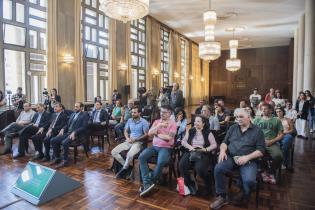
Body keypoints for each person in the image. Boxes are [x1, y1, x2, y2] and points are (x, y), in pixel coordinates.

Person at [210, 108, 265, 209]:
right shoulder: (233, 128)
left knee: (249, 181)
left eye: (241, 117)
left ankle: (245, 193)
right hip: (231, 157)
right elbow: (224, 142)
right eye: (237, 117)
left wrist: (247, 157)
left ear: (249, 117)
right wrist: (222, 151)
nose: (238, 119)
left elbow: (261, 151)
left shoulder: (257, 131)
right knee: (218, 168)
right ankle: (222, 196)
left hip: (248, 160)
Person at [138, 105, 177, 197]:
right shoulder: (156, 122)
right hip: (155, 146)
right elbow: (149, 133)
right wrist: (159, 126)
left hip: (166, 148)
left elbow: (169, 138)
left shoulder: (173, 124)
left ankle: (150, 180)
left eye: (164, 112)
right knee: (142, 157)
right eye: (161, 111)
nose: (162, 113)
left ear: (170, 113)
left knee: (161, 161)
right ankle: (147, 183)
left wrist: (157, 134)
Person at [179, 115, 217, 195]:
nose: (196, 123)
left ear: (203, 123)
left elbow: (214, 145)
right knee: (182, 165)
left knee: (200, 169)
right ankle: (190, 184)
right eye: (195, 121)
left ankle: (208, 185)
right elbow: (183, 141)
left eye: (198, 121)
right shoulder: (190, 130)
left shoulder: (208, 132)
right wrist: (190, 147)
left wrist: (206, 149)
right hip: (191, 150)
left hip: (202, 152)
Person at [112, 106, 149, 179]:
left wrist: (136, 139)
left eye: (135, 112)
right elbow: (125, 130)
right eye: (132, 112)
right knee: (114, 152)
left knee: (129, 154)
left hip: (138, 143)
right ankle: (128, 167)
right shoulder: (129, 120)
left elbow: (146, 134)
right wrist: (127, 138)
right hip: (129, 141)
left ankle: (124, 169)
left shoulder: (144, 122)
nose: (133, 114)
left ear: (139, 113)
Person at [50, 102, 89, 168]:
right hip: (68, 133)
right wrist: (63, 128)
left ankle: (65, 161)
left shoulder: (85, 115)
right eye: (75, 106)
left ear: (81, 108)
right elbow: (68, 125)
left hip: (77, 135)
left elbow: (84, 127)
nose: (75, 108)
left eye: (77, 107)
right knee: (53, 140)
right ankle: (57, 158)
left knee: (64, 142)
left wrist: (75, 132)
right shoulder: (73, 114)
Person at [253, 103, 284, 184]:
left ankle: (269, 172)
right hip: (258, 143)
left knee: (279, 156)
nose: (263, 110)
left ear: (270, 110)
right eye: (262, 109)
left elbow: (281, 135)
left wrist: (272, 141)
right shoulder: (257, 120)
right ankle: (261, 171)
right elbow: (251, 132)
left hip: (271, 143)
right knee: (252, 153)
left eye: (265, 108)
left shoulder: (276, 120)